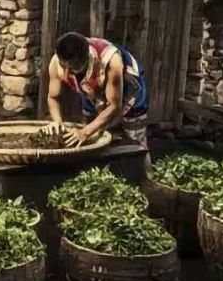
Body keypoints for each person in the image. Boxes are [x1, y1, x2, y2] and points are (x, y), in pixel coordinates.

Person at [45, 32, 150, 178]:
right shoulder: (57, 62)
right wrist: (57, 122)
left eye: (73, 67)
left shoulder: (111, 61)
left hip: (128, 91)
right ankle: (96, 178)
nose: (67, 72)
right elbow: (53, 97)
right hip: (92, 92)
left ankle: (144, 180)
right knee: (91, 143)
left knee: (135, 144)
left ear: (85, 59)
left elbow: (115, 106)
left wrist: (85, 132)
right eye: (64, 66)